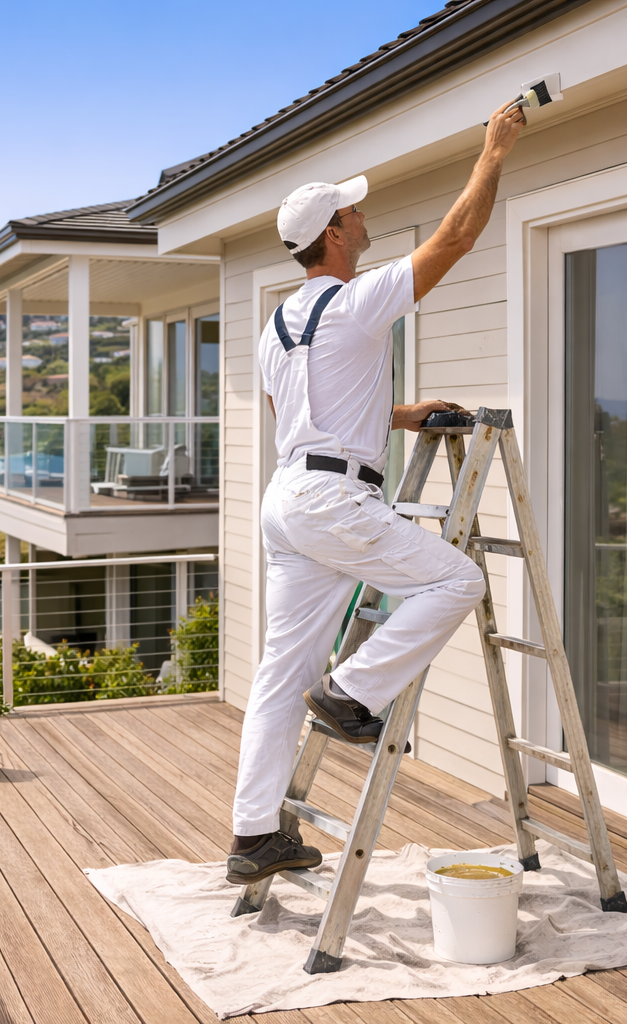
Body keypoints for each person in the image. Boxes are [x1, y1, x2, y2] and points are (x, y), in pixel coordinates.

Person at [226, 100, 528, 886]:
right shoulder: (356, 301)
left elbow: (290, 413)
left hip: (290, 499)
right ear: (333, 233)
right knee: (456, 579)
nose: (364, 218)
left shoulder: (277, 327)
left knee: (278, 675)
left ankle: (255, 835)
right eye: (354, 212)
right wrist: (493, 148)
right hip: (334, 503)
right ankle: (354, 692)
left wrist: (396, 415)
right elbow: (456, 238)